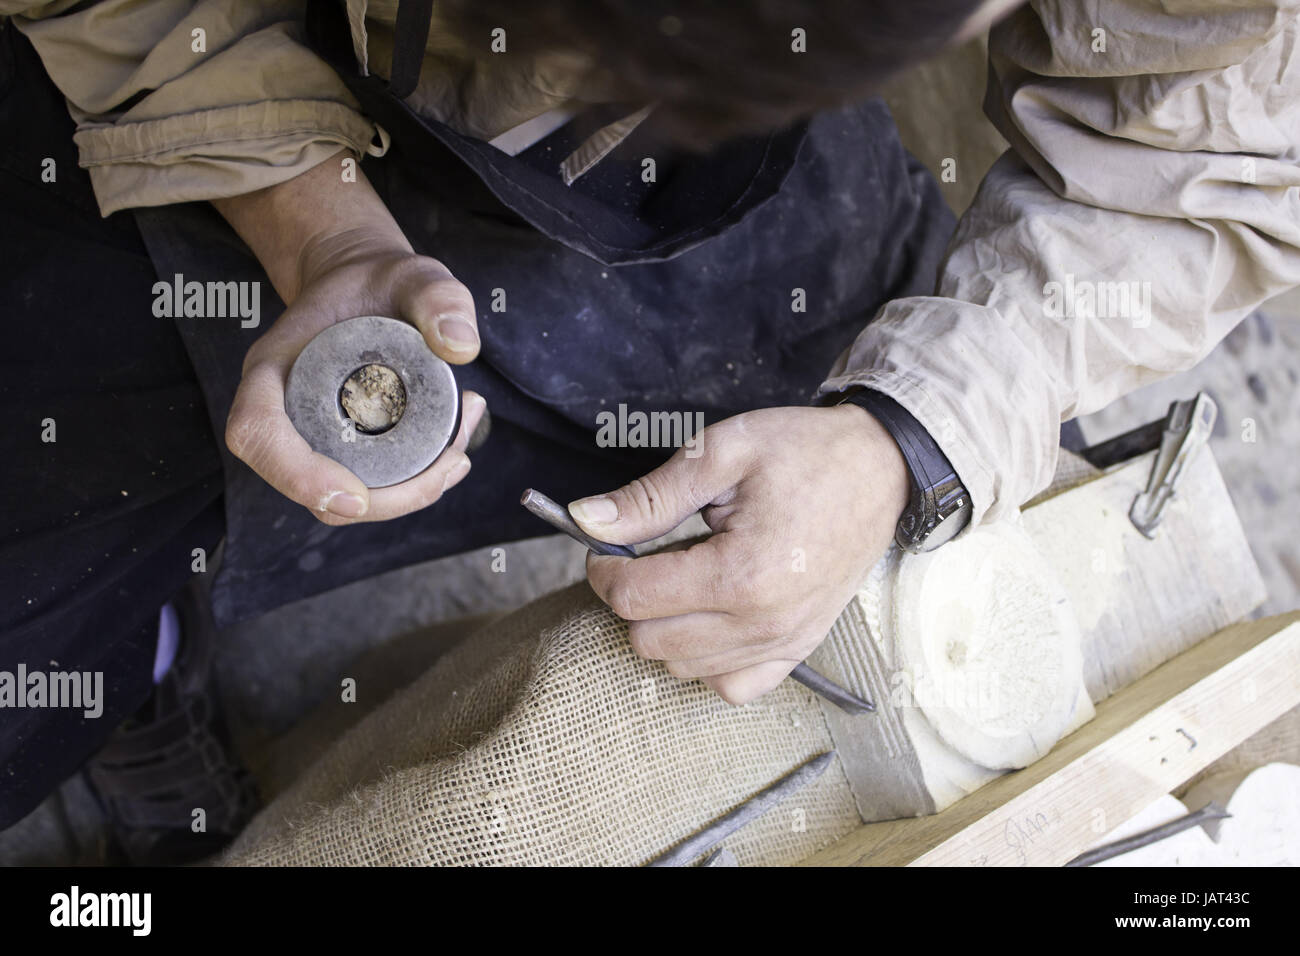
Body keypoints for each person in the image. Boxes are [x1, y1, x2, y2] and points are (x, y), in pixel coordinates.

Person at [1, 0, 1296, 860]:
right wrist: (311, 217)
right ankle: (135, 653)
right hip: (213, 46)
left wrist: (903, 437)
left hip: (730, 188)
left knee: (817, 345)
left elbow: (1212, 171)